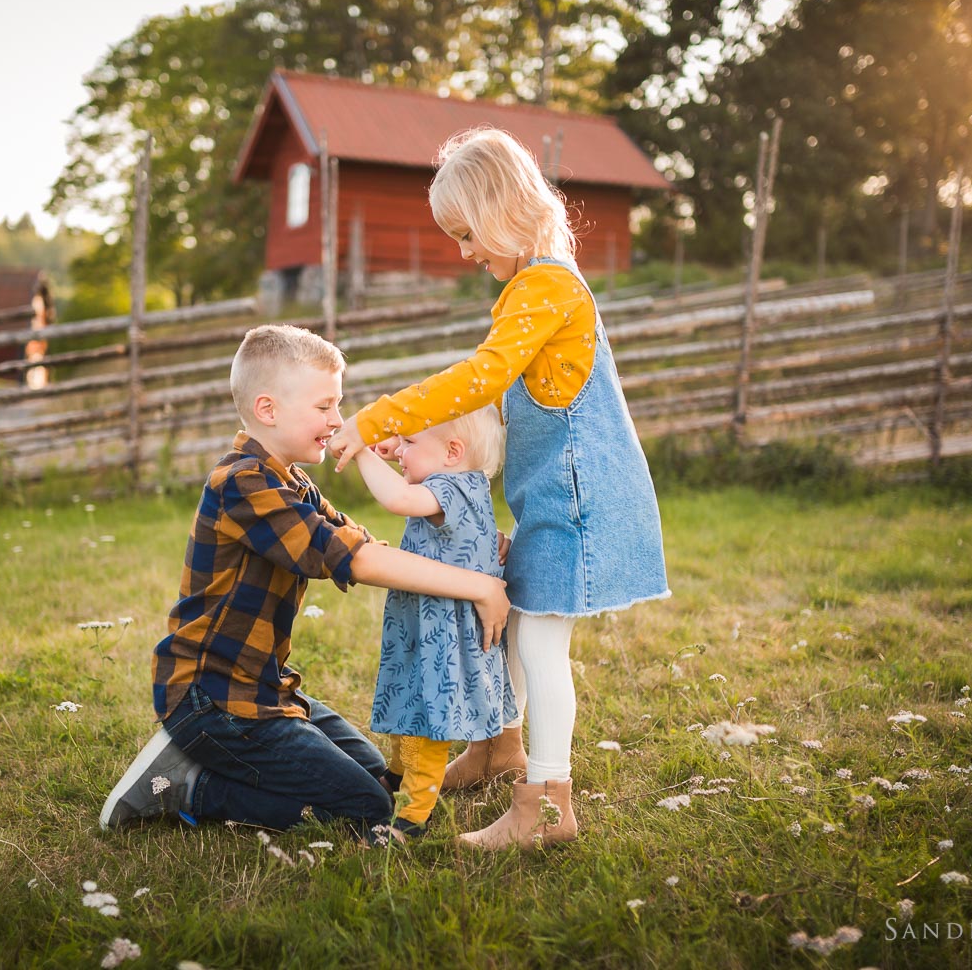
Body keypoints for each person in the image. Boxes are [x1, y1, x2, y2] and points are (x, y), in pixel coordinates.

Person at [327, 126, 670, 850]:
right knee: (512, 621)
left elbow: (481, 375)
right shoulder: (533, 286)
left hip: (582, 506)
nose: (464, 253)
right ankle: (497, 748)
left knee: (541, 642)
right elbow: (488, 409)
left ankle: (544, 807)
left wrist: (377, 416)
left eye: (466, 233)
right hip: (554, 503)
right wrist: (420, 445)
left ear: (501, 209)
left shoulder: (545, 286)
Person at [99, 325, 510, 838]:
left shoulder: (292, 481)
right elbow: (352, 560)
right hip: (213, 698)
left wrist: (469, 549)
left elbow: (360, 544)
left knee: (377, 779)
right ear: (269, 410)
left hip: (262, 690)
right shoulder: (242, 484)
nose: (338, 420)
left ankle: (220, 762)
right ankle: (189, 785)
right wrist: (478, 587)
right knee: (366, 807)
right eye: (325, 407)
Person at [351, 406, 516, 844]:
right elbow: (413, 478)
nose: (399, 452)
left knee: (428, 723)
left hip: (440, 637)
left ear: (452, 452)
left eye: (409, 443)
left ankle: (410, 817)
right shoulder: (465, 482)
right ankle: (397, 773)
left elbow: (396, 499)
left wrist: (360, 450)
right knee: (410, 702)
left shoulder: (450, 489)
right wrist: (389, 448)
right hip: (429, 628)